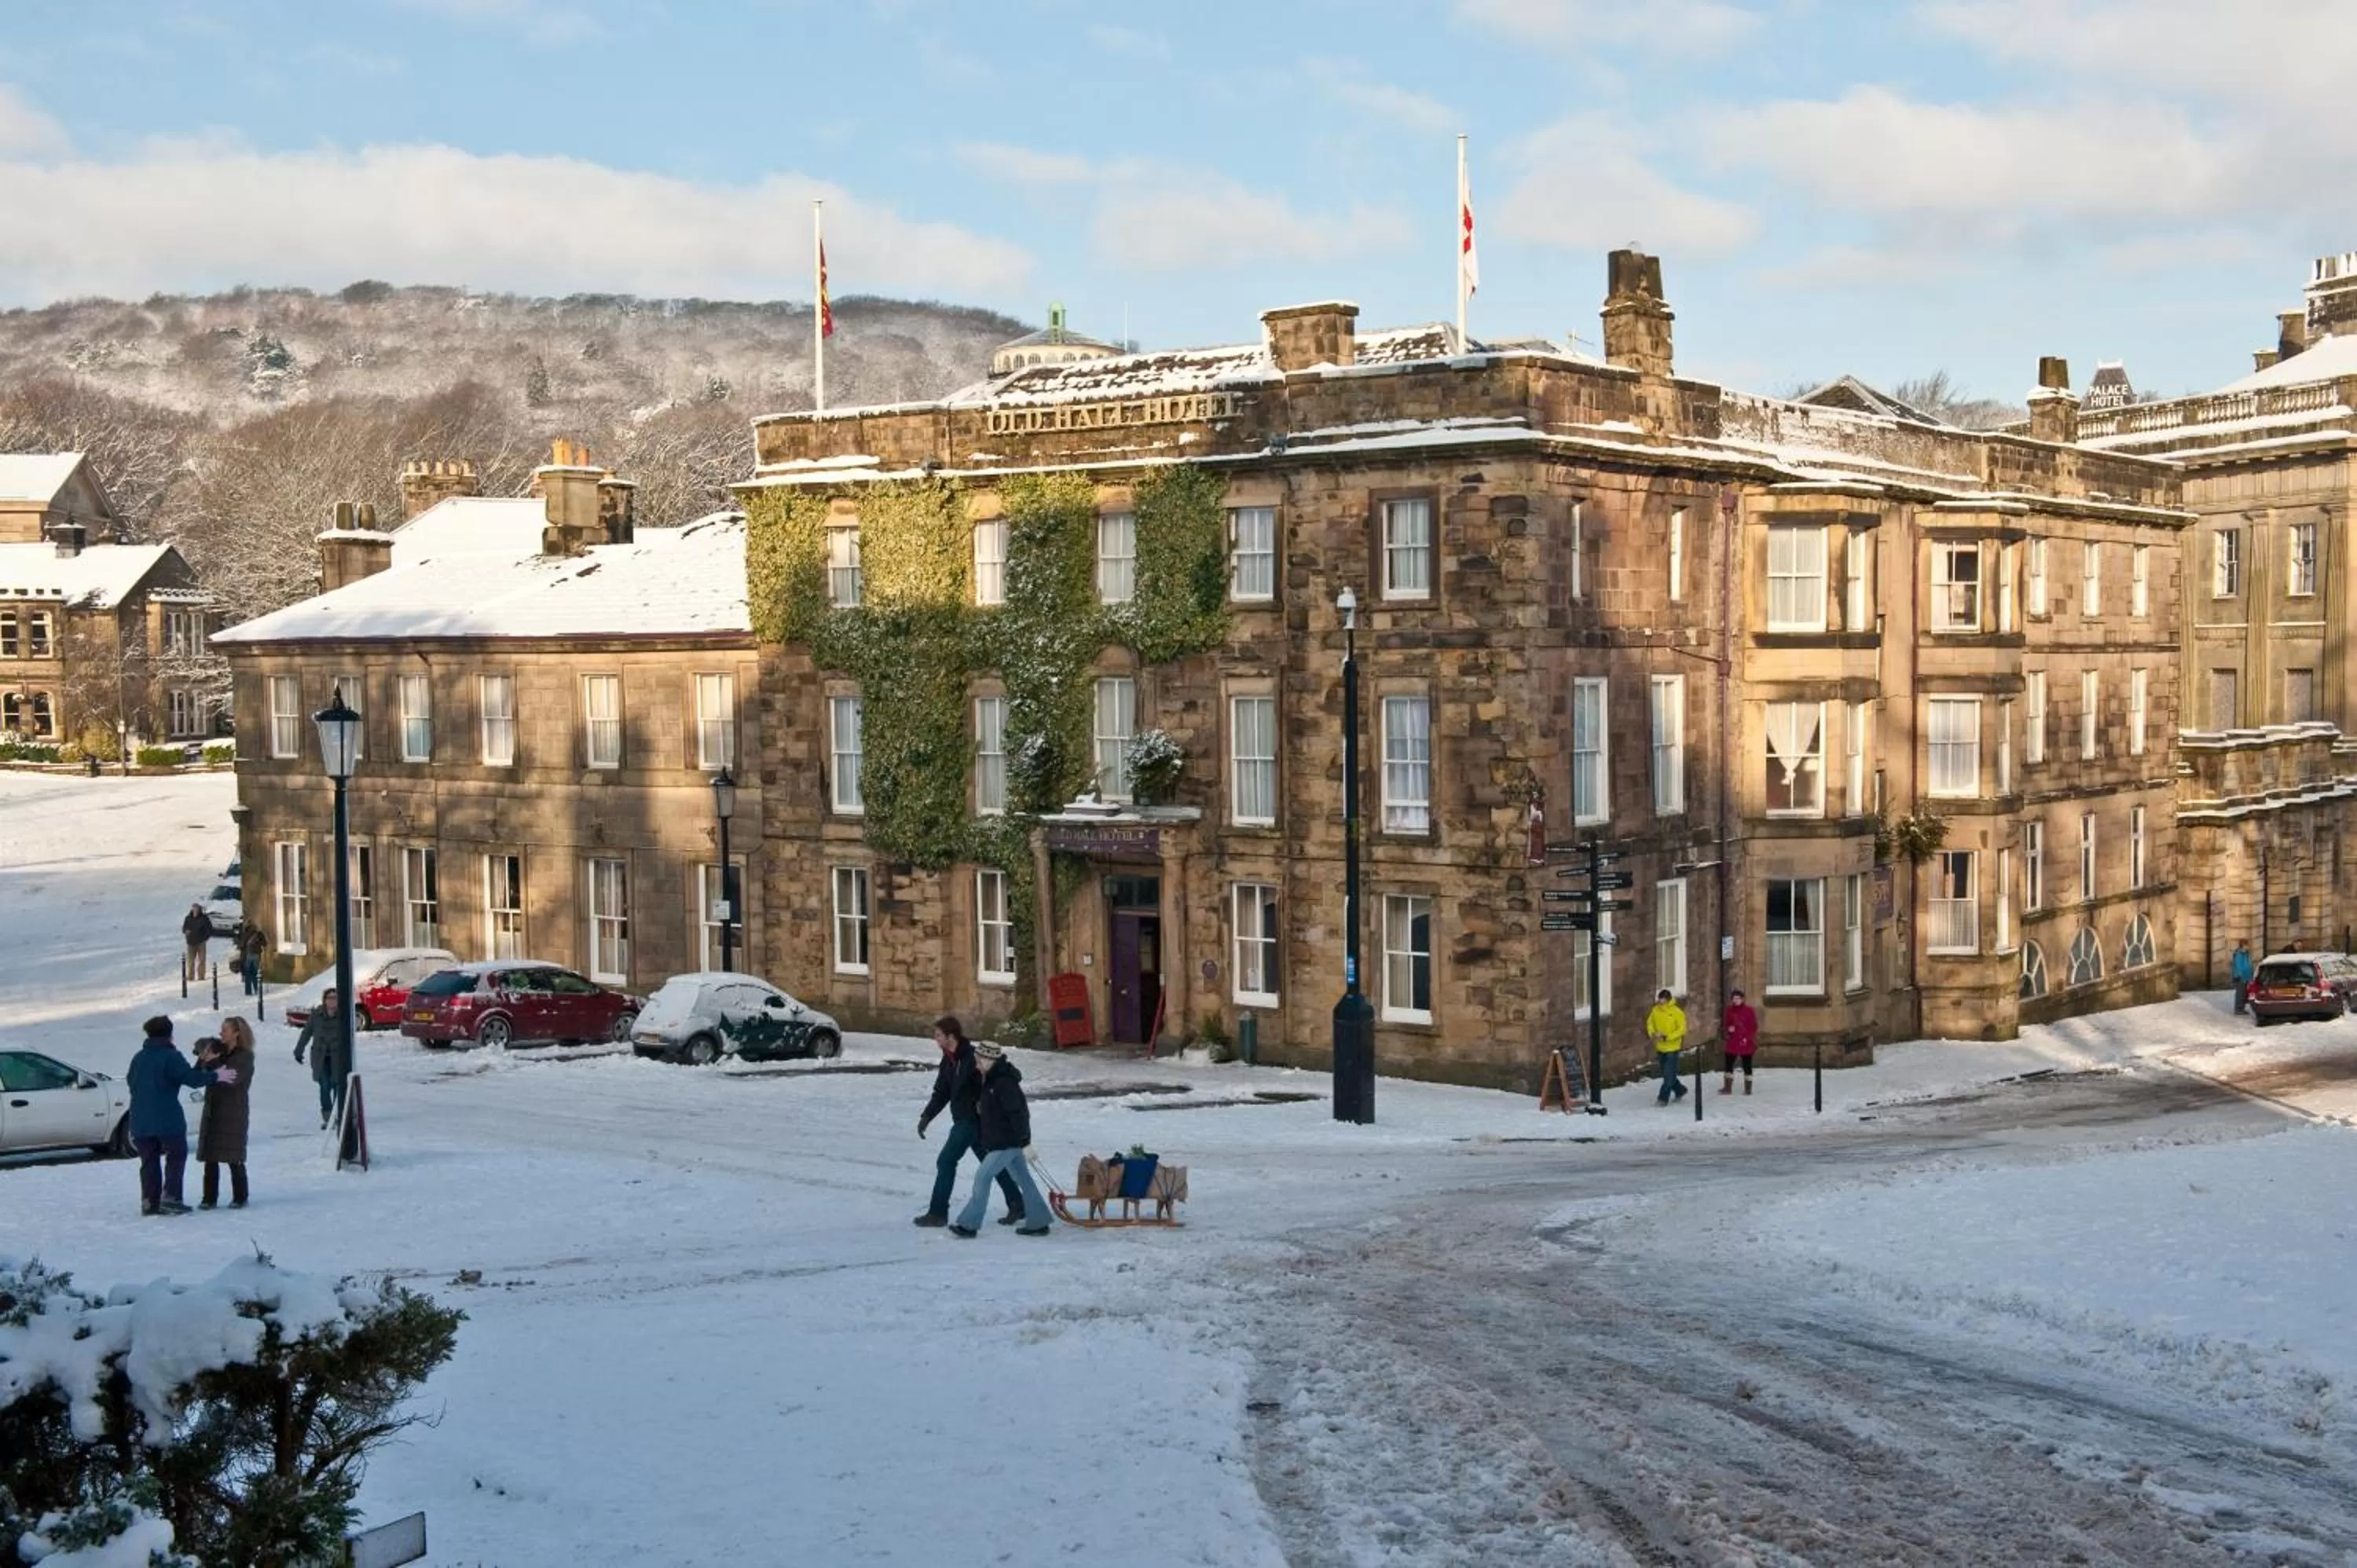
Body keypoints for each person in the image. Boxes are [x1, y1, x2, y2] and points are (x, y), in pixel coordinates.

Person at [913, 1016, 1027, 1229]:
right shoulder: (948, 1060)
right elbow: (942, 1092)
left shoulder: (972, 1058)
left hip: (971, 1121)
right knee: (992, 1164)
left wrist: (983, 1104)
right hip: (969, 1122)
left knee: (946, 1161)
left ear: (950, 1036)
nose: (935, 1040)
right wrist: (927, 1116)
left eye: (938, 1035)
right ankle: (1018, 1204)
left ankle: (938, 1212)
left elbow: (989, 1082)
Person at [126, 1015, 236, 1216]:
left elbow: (131, 1082)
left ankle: (150, 1202)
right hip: (167, 1119)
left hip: (139, 1120)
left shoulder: (139, 1057)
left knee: (148, 1160)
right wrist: (215, 1075)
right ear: (169, 1035)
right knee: (176, 1155)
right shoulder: (171, 1056)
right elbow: (191, 1079)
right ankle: (171, 1198)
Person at [950, 1041, 1053, 1238]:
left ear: (989, 1061)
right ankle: (1039, 1222)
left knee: (983, 1177)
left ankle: (969, 1225)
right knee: (1024, 1179)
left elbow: (1018, 1113)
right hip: (1006, 1140)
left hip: (1006, 1142)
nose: (977, 1065)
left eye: (979, 1061)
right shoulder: (991, 1080)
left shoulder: (1003, 1082)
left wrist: (1024, 1141)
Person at [194, 1017, 256, 1209]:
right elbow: (197, 1074)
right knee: (210, 1156)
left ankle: (240, 1196)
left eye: (226, 1030)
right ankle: (209, 1197)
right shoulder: (217, 1050)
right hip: (213, 1107)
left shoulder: (244, 1056)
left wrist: (212, 1064)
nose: (221, 1034)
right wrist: (203, 1058)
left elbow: (231, 1078)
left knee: (234, 1155)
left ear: (237, 1033)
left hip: (233, 1110)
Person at [294, 988, 351, 1130]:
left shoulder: (343, 1016)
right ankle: (328, 1117)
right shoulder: (316, 1015)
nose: (332, 1001)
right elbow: (306, 1033)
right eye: (330, 998)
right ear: (324, 1000)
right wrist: (299, 1050)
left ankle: (339, 1116)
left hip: (338, 1057)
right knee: (325, 1085)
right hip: (320, 1058)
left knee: (338, 1085)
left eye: (335, 998)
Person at [1647, 987, 1688, 1105]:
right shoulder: (1655, 1011)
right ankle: (1680, 1090)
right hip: (1660, 1046)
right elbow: (1650, 1023)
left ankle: (1662, 1098)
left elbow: (1682, 1029)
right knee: (1667, 1073)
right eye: (1660, 1000)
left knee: (1669, 1074)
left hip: (1672, 1047)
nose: (1661, 1003)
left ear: (1668, 1000)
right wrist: (1653, 1033)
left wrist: (1668, 1037)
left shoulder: (1677, 1013)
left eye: (1663, 1000)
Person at [1721, 988, 1759, 1095]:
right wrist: (1729, 1030)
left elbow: (1753, 1026)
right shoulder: (1729, 1010)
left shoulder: (1749, 1010)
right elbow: (1726, 1024)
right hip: (1733, 1040)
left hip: (1745, 1041)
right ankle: (1727, 1087)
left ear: (1742, 999)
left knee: (1747, 1064)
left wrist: (1747, 1037)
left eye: (1738, 998)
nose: (1736, 1000)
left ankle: (1748, 1089)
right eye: (1734, 998)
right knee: (1729, 1063)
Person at [181, 903, 211, 982]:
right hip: (191, 943)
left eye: (196, 908)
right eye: (194, 908)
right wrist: (186, 931)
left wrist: (205, 938)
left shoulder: (204, 918)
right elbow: (184, 928)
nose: (195, 910)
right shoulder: (188, 918)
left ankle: (201, 976)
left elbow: (209, 929)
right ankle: (191, 977)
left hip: (201, 943)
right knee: (190, 961)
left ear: (199, 909)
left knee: (202, 960)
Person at [236, 920, 267, 997]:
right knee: (255, 972)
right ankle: (257, 989)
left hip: (247, 955)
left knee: (248, 973)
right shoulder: (259, 934)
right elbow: (265, 944)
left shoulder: (244, 934)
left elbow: (241, 945)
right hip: (256, 955)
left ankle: (248, 991)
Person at [2231, 940, 2256, 1014]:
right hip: (2241, 977)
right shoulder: (2239, 954)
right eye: (2247, 945)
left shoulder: (2246, 954)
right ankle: (2238, 1009)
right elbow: (2238, 966)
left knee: (2244, 993)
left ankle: (2241, 1008)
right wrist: (2240, 976)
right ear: (2243, 945)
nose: (2248, 946)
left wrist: (2250, 976)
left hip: (2246, 976)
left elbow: (2249, 965)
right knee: (2240, 993)